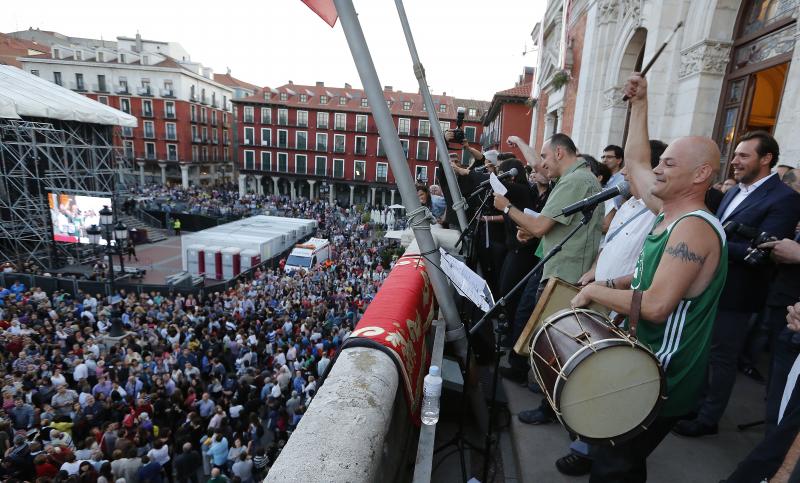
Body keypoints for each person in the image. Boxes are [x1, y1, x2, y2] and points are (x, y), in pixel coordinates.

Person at [566, 72, 728, 482]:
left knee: (613, 466)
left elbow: (656, 306)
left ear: (700, 175)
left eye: (669, 164)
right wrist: (640, 104)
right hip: (644, 364)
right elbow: (636, 162)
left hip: (664, 374)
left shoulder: (692, 227)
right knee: (621, 463)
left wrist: (599, 292)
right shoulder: (666, 210)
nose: (656, 169)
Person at [674, 130, 800, 437]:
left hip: (739, 292)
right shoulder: (732, 192)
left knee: (721, 357)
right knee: (700, 350)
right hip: (708, 285)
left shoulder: (786, 199)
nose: (735, 161)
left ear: (766, 159)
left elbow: (764, 253)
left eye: (744, 156)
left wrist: (710, 241)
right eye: (736, 155)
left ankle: (708, 419)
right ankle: (692, 405)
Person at [554, 139, 667, 476]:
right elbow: (610, 242)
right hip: (600, 294)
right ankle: (586, 444)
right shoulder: (628, 204)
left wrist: (609, 286)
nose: (623, 172)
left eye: (631, 167)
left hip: (620, 306)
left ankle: (590, 449)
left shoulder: (656, 213)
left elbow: (648, 270)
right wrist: (594, 272)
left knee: (604, 383)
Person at [493, 133, 604, 424]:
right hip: (558, 264)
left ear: (558, 153)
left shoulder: (576, 181)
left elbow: (543, 225)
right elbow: (556, 226)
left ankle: (551, 407)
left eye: (544, 157)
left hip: (564, 271)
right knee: (546, 334)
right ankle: (547, 397)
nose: (540, 164)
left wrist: (506, 207)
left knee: (557, 343)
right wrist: (528, 230)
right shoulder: (576, 179)